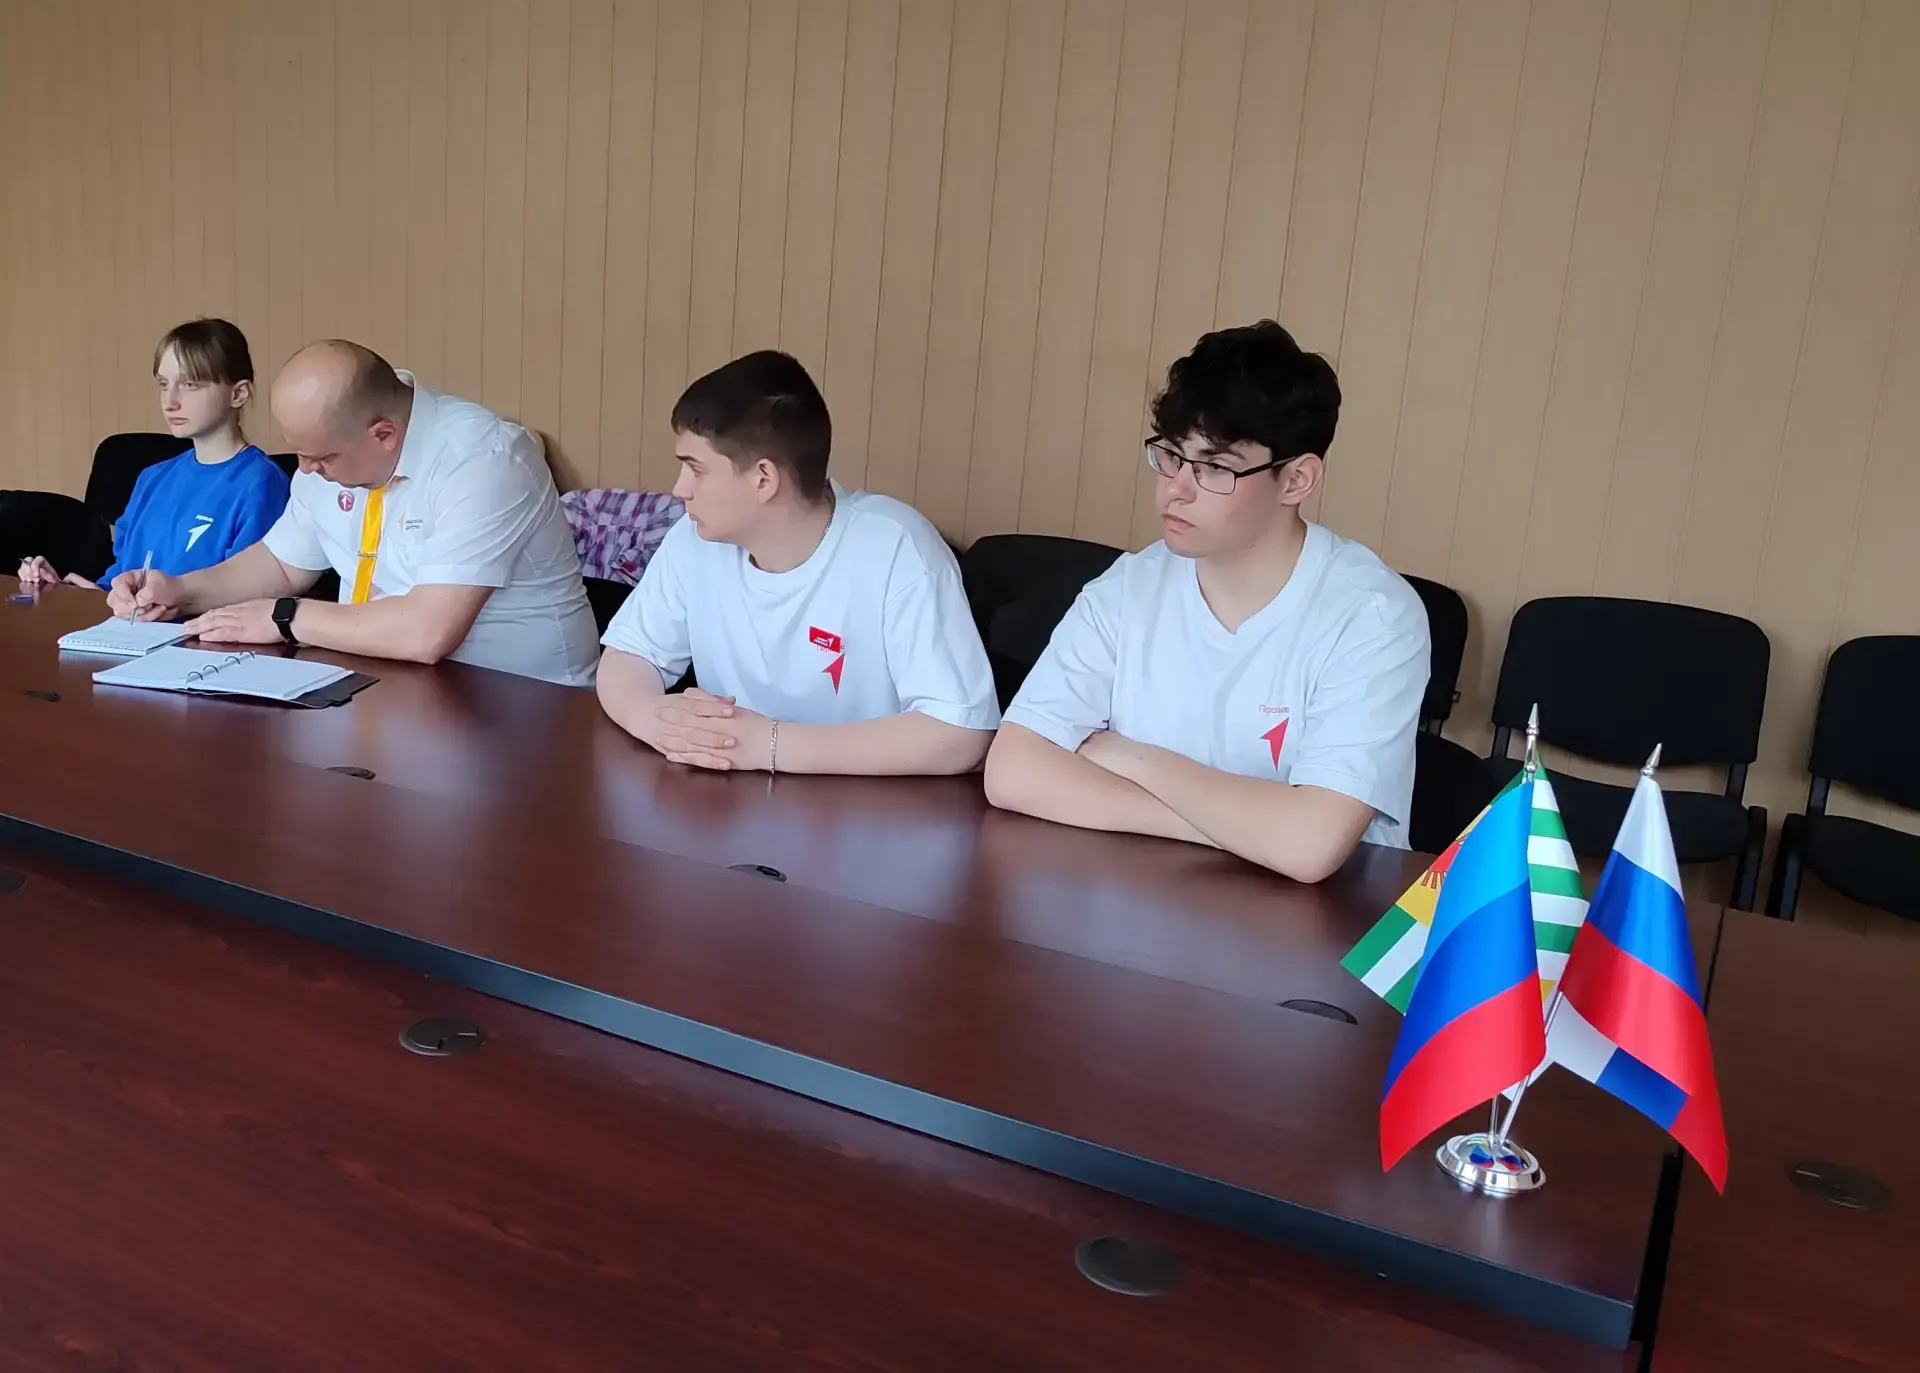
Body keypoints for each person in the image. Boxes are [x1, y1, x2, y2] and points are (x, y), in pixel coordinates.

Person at [983, 321, 1430, 883]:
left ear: (1296, 480)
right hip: (1138, 895)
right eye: (1172, 456)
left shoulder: (1373, 616)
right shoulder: (1128, 587)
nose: (1177, 488)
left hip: (1322, 919)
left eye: (1215, 467)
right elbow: (1012, 770)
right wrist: (1248, 830)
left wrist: (1129, 756)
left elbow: (1310, 845)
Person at [596, 350, 998, 775]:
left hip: (871, 805)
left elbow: (960, 733)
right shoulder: (693, 539)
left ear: (764, 479)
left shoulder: (898, 548)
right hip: (729, 800)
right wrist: (660, 722)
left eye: (697, 470)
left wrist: (769, 745)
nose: (680, 490)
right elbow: (628, 656)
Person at [111, 340, 599, 687]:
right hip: (383, 685)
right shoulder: (331, 450)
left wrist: (286, 617)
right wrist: (181, 589)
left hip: (523, 705)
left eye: (321, 458)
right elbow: (280, 564)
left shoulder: (484, 459)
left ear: (383, 434)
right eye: (300, 453)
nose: (306, 470)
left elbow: (426, 632)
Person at [17, 319, 288, 591]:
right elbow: (119, 582)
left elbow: (249, 592)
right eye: (163, 384)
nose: (170, 402)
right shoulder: (152, 478)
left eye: (190, 384)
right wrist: (66, 592)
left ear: (238, 394)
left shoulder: (261, 484)